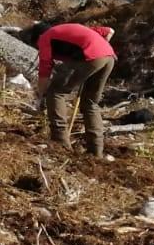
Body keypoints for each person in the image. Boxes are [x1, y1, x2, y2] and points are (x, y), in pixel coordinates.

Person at [36, 22, 116, 156]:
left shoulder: (45, 37)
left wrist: (41, 94)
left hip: (91, 56)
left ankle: (60, 142)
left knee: (56, 92)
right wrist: (99, 52)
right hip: (109, 57)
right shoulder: (70, 32)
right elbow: (110, 31)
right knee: (90, 103)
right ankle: (96, 151)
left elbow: (44, 70)